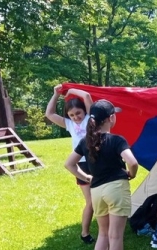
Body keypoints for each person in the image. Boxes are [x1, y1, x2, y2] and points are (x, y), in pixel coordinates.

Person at [64, 99, 138, 250]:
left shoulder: (85, 141)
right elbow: (133, 162)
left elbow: (69, 164)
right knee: (115, 236)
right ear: (111, 118)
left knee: (103, 234)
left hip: (97, 191)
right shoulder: (116, 140)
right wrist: (132, 173)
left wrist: (86, 177)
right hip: (117, 188)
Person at [45, 84, 95, 244]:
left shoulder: (90, 118)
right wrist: (56, 94)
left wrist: (70, 91)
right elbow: (49, 113)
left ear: (84, 111)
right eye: (71, 115)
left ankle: (108, 230)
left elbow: (86, 96)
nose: (76, 117)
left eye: (78, 113)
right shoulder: (69, 124)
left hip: (97, 161)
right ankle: (85, 233)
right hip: (81, 165)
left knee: (103, 199)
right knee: (91, 202)